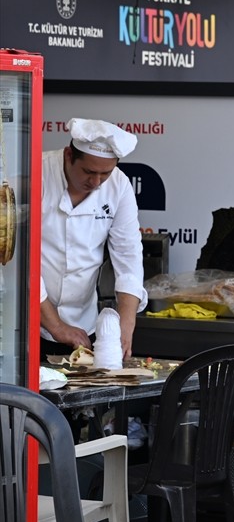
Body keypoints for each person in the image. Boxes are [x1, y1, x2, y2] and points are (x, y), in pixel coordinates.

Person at [40, 118, 146, 360]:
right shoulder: (37, 174)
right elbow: (19, 261)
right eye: (89, 172)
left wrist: (126, 325)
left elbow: (128, 256)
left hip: (82, 325)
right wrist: (55, 326)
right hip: (25, 322)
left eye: (105, 173)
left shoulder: (119, 185)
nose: (96, 183)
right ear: (69, 155)